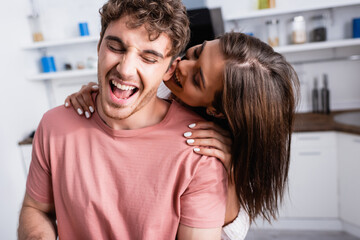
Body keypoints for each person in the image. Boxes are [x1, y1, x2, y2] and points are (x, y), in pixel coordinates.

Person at [18, 0, 229, 239]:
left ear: (170, 69)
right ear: (99, 45)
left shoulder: (199, 151)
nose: (125, 69)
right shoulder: (54, 124)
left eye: (149, 58)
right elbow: (35, 209)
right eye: (116, 47)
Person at [65, 31, 300, 239]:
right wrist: (101, 96)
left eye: (197, 79)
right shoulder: (167, 93)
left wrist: (229, 177)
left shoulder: (209, 154)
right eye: (197, 52)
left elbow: (228, 233)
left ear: (215, 110)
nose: (184, 65)